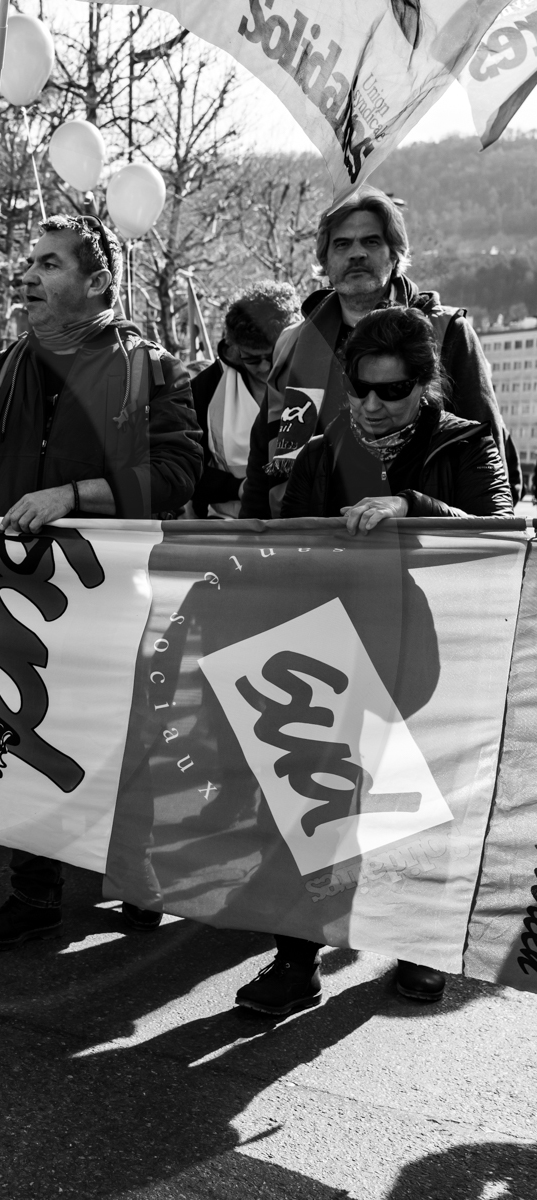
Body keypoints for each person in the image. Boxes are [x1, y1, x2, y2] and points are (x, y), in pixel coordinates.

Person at [0, 213, 204, 950]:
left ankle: (141, 877)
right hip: (21, 589)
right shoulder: (11, 362)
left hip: (114, 595)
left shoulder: (153, 367)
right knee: (27, 728)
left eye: (49, 264)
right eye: (29, 263)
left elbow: (178, 475)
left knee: (126, 737)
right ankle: (35, 889)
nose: (29, 277)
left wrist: (71, 496)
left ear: (97, 282)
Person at [235, 306, 512, 1017]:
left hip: (434, 652)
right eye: (361, 388)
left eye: (391, 391)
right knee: (313, 806)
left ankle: (421, 949)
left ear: (426, 386)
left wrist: (410, 506)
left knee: (428, 810)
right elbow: (290, 543)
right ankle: (295, 958)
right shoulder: (326, 448)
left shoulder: (467, 441)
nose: (372, 405)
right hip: (335, 648)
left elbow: (500, 534)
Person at [240, 187, 507, 520]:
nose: (357, 254)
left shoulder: (445, 329)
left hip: (428, 543)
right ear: (324, 261)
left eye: (371, 241)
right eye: (342, 244)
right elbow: (262, 454)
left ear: (394, 254)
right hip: (318, 544)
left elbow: (484, 443)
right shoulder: (293, 342)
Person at [190, 283, 301, 518]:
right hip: (228, 522)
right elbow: (186, 468)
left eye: (272, 356)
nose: (264, 368)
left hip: (297, 520)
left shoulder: (316, 376)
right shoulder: (207, 386)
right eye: (251, 359)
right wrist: (235, 487)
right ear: (234, 346)